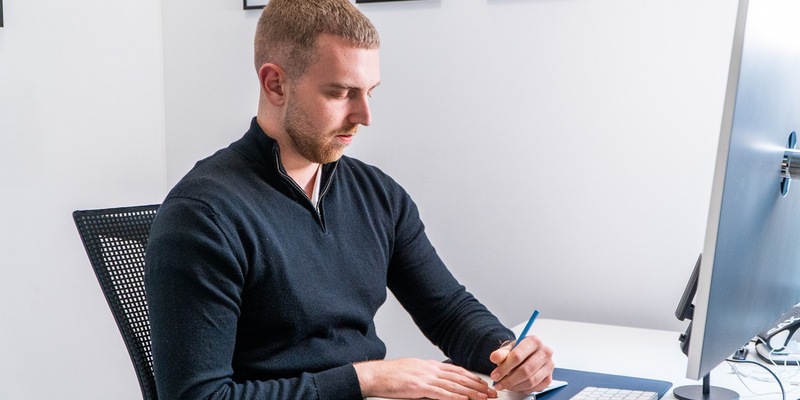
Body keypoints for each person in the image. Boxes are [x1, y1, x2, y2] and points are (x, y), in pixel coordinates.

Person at [144, 0, 554, 398]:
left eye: (370, 92)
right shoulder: (203, 217)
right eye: (341, 93)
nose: (364, 116)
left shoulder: (377, 195)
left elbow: (447, 310)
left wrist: (508, 353)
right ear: (275, 84)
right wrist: (366, 380)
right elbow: (199, 395)